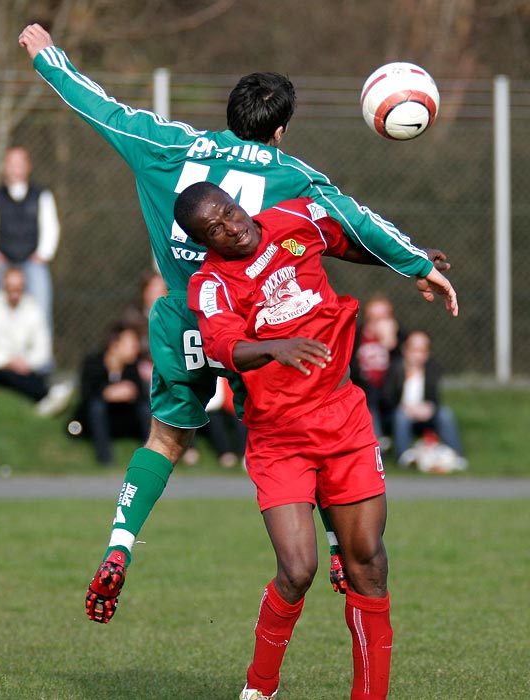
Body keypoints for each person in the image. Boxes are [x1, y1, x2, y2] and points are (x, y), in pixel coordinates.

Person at [18, 23, 451, 625]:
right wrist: (414, 262)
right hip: (255, 322)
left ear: (230, 115)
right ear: (280, 129)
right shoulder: (294, 175)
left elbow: (102, 109)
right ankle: (333, 545)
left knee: (167, 440)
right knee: (307, 423)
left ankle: (120, 543)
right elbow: (354, 224)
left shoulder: (167, 145)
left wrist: (49, 59)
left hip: (182, 316)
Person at [181, 182, 458, 700]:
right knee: (298, 569)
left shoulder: (293, 220)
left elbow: (349, 240)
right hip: (279, 436)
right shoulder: (211, 283)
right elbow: (223, 345)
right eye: (213, 230)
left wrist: (412, 261)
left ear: (236, 202)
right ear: (204, 241)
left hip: (342, 416)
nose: (230, 228)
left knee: (368, 563)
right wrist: (274, 347)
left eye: (229, 212)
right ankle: (260, 688)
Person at [0, 145, 61, 335]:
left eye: (20, 163)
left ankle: (42, 361)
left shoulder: (42, 195)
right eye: (11, 163)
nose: (15, 168)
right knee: (1, 314)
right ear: (4, 167)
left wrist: (43, 255)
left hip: (33, 263)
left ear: (28, 166)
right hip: (3, 263)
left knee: (41, 310)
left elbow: (50, 227)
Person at [0, 266, 73, 415]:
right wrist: (7, 362)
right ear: (2, 286)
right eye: (10, 288)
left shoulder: (33, 309)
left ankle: (46, 398)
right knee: (8, 376)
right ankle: (45, 397)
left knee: (28, 377)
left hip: (25, 369)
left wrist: (24, 363)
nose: (14, 293)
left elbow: (42, 349)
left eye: (18, 288)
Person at [68, 323, 151, 466]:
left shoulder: (133, 366)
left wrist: (131, 392)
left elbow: (142, 396)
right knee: (96, 407)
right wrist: (107, 392)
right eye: (131, 343)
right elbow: (86, 393)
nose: (136, 347)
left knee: (145, 409)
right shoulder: (93, 361)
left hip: (124, 418)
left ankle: (151, 454)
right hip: (96, 419)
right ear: (115, 344)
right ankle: (105, 459)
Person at [381, 329, 465, 464]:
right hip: (400, 414)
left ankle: (456, 456)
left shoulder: (431, 370)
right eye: (414, 350)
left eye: (422, 350)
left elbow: (434, 399)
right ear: (405, 350)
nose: (417, 355)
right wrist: (406, 407)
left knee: (445, 413)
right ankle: (404, 457)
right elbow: (386, 400)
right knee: (401, 416)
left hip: (423, 414)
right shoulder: (395, 369)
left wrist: (428, 408)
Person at [350, 294, 404, 448]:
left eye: (383, 317)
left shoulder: (398, 336)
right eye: (374, 318)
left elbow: (402, 367)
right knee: (368, 397)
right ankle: (376, 444)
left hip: (389, 390)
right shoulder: (358, 334)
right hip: (364, 388)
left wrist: (390, 343)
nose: (378, 322)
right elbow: (352, 365)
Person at [119, 270, 168, 387]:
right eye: (154, 291)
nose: (159, 295)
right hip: (141, 370)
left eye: (162, 291)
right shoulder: (132, 318)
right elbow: (127, 350)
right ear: (144, 292)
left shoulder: (173, 317)